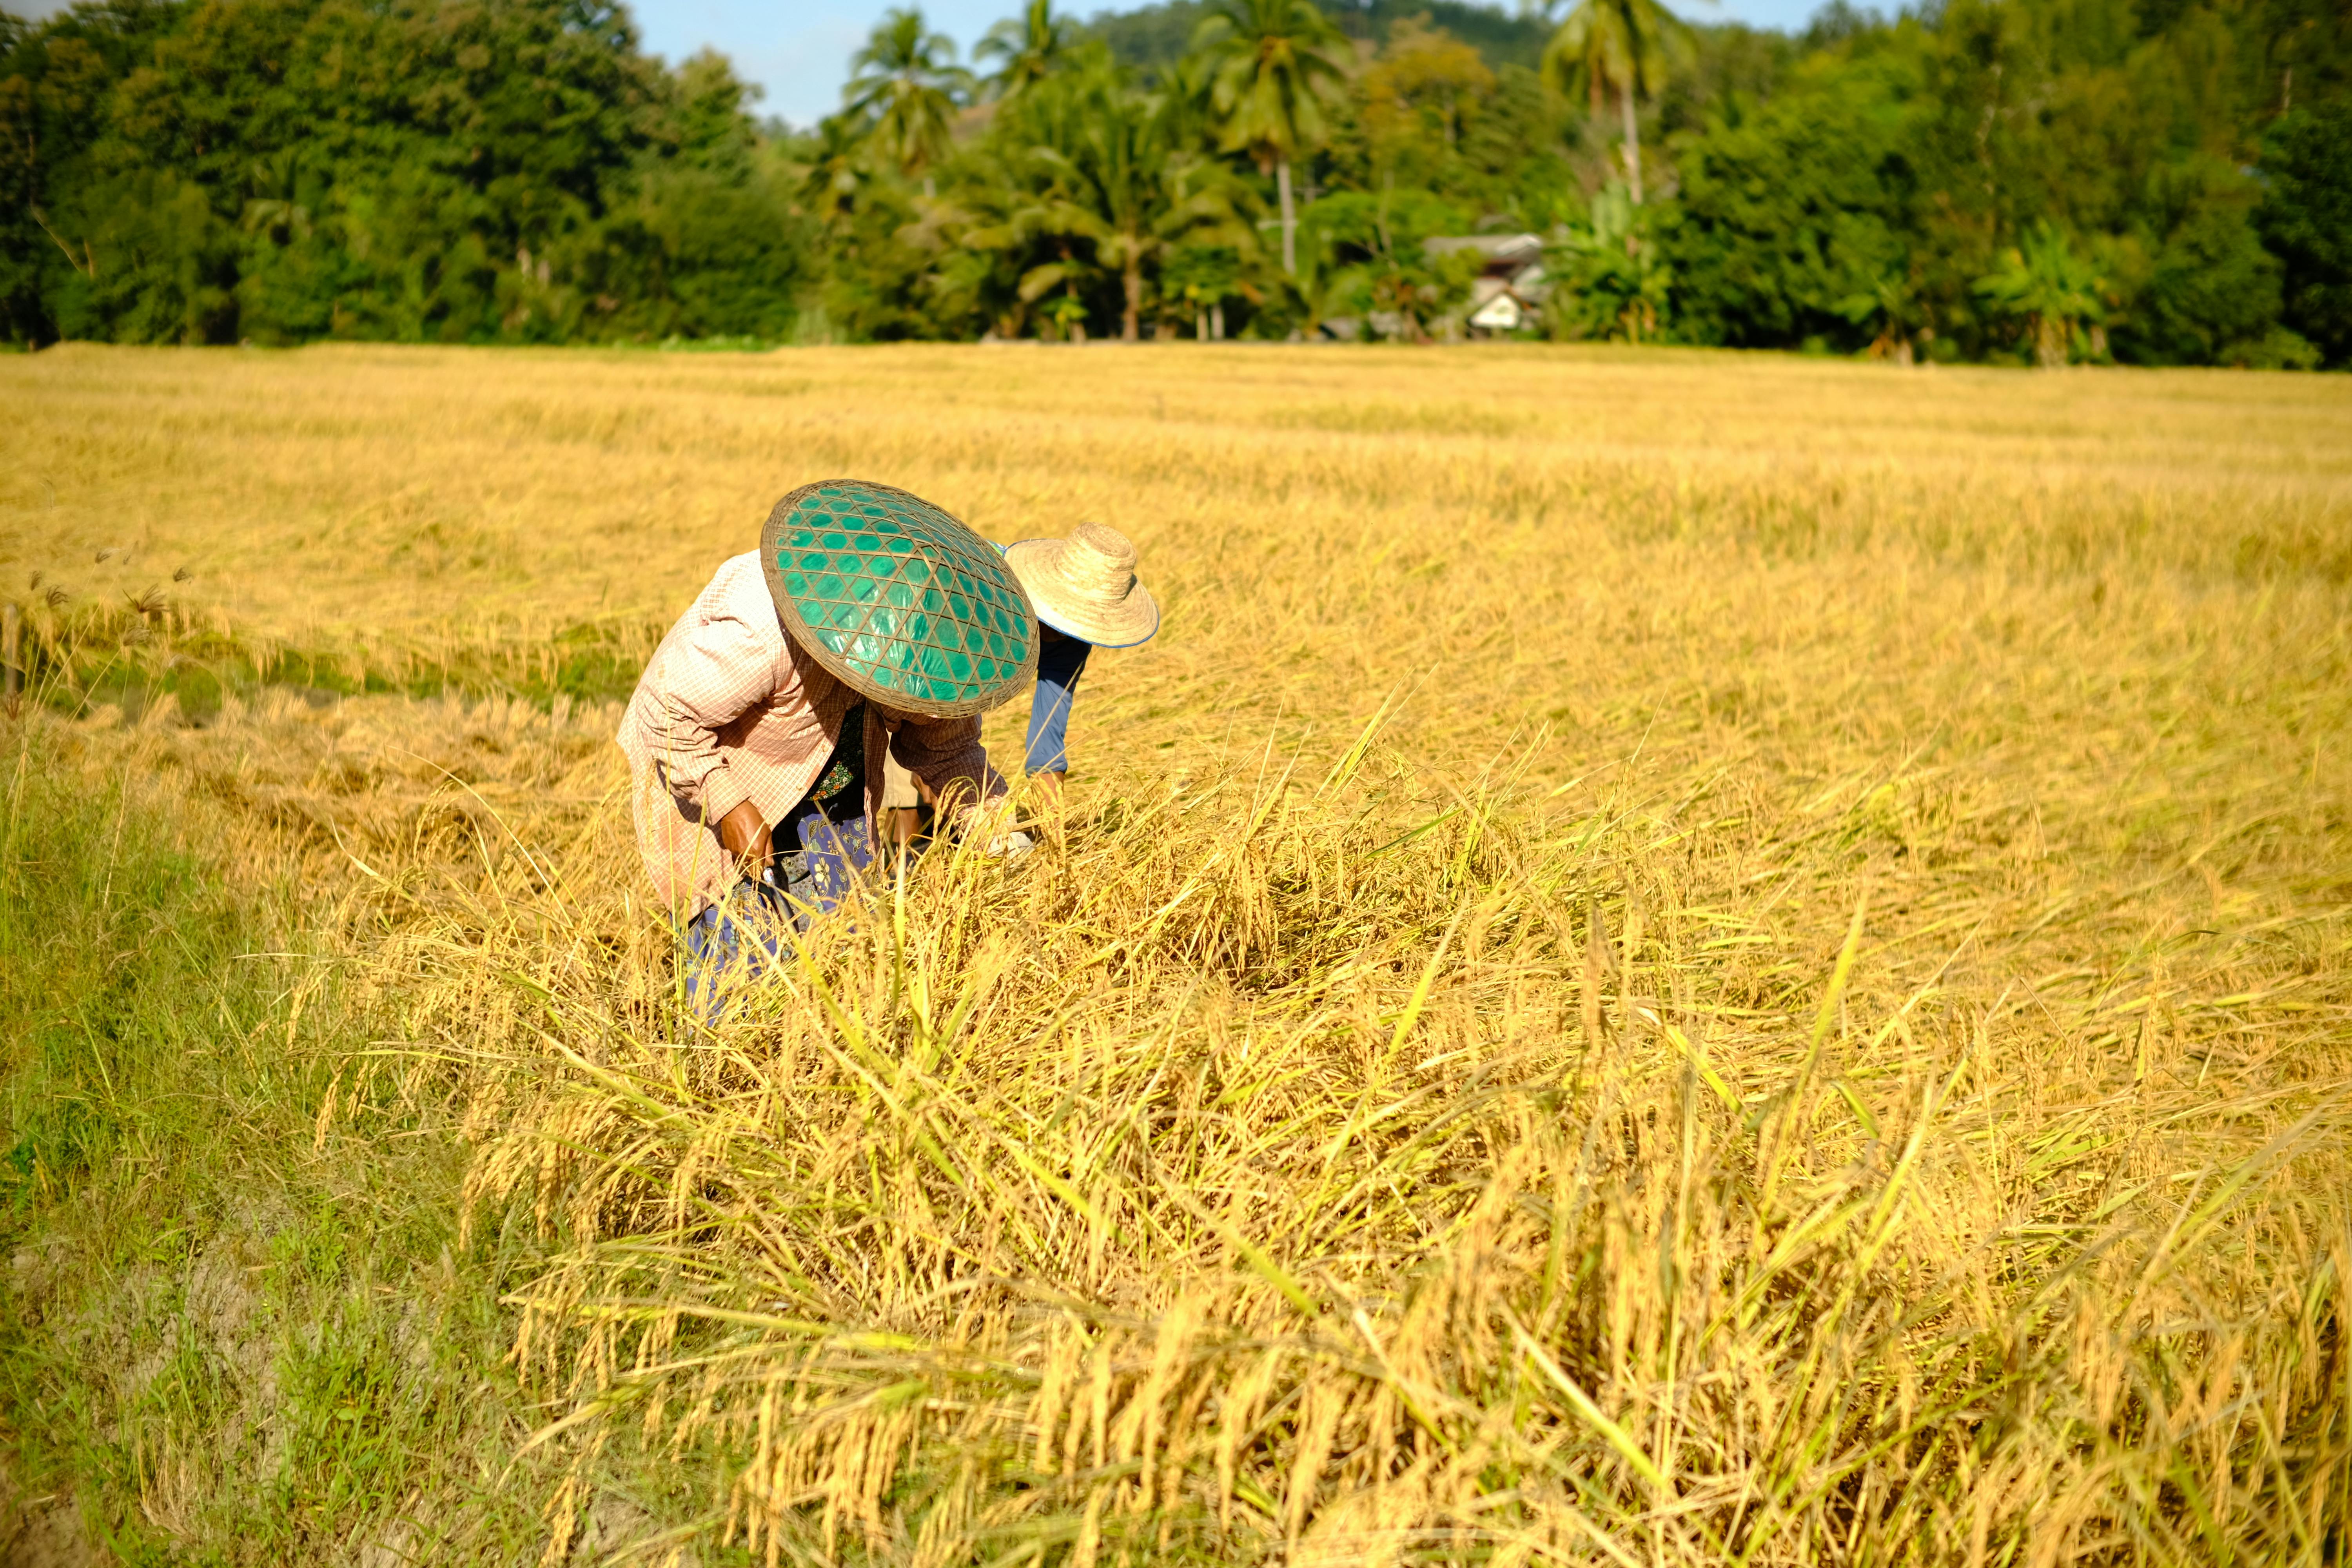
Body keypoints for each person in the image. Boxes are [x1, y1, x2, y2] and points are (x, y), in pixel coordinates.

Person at [619, 479, 1038, 1012]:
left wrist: (1010, 841)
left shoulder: (934, 645)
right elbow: (669, 716)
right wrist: (726, 801)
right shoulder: (760, 630)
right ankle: (715, 1063)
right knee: (738, 948)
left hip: (835, 772)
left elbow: (948, 752)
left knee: (842, 935)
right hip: (723, 765)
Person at [881, 521, 1159, 839]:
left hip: (946, 706)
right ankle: (892, 876)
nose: (1057, 632)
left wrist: (1055, 836)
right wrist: (926, 763)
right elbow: (923, 676)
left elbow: (1047, 737)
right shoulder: (981, 588)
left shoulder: (1071, 643)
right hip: (904, 652)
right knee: (906, 808)